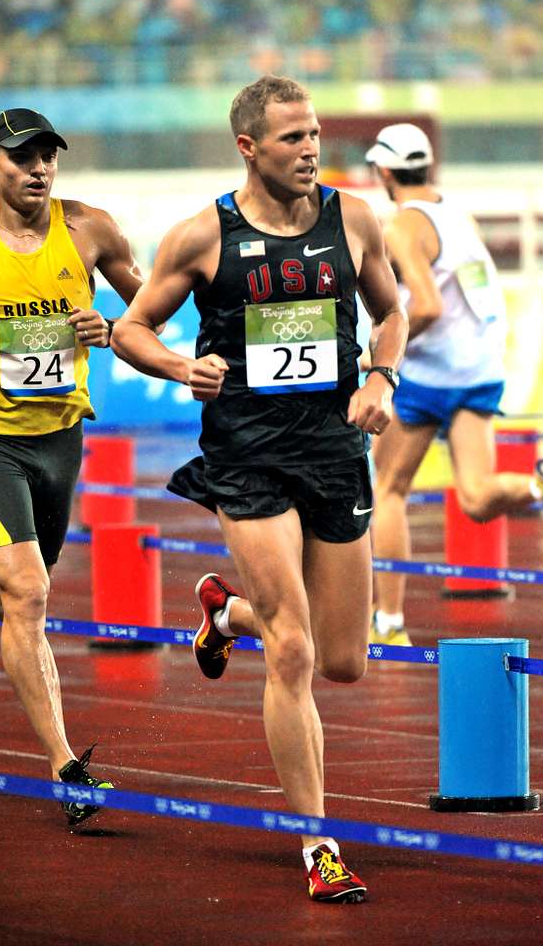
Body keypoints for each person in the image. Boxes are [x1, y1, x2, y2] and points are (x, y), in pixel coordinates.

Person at [111, 75, 407, 901]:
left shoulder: (354, 219)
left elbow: (393, 309)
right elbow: (131, 328)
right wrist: (179, 364)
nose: (310, 148)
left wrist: (380, 376)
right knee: (296, 650)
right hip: (246, 456)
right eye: (291, 138)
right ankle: (318, 845)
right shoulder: (204, 234)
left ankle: (221, 610)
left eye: (313, 134)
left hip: (333, 449)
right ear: (248, 146)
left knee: (345, 660)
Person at [0, 108, 147, 823]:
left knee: (11, 595)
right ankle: (67, 767)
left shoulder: (89, 230)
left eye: (47, 156)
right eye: (20, 157)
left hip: (60, 438)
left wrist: (115, 330)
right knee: (31, 591)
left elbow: (151, 310)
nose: (37, 168)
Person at [363, 123, 543, 647]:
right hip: (478, 369)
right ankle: (541, 488)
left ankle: (391, 622)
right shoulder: (457, 214)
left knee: (390, 491)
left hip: (427, 374)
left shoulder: (404, 224)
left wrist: (381, 354)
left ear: (383, 171)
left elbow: (426, 305)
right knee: (474, 496)